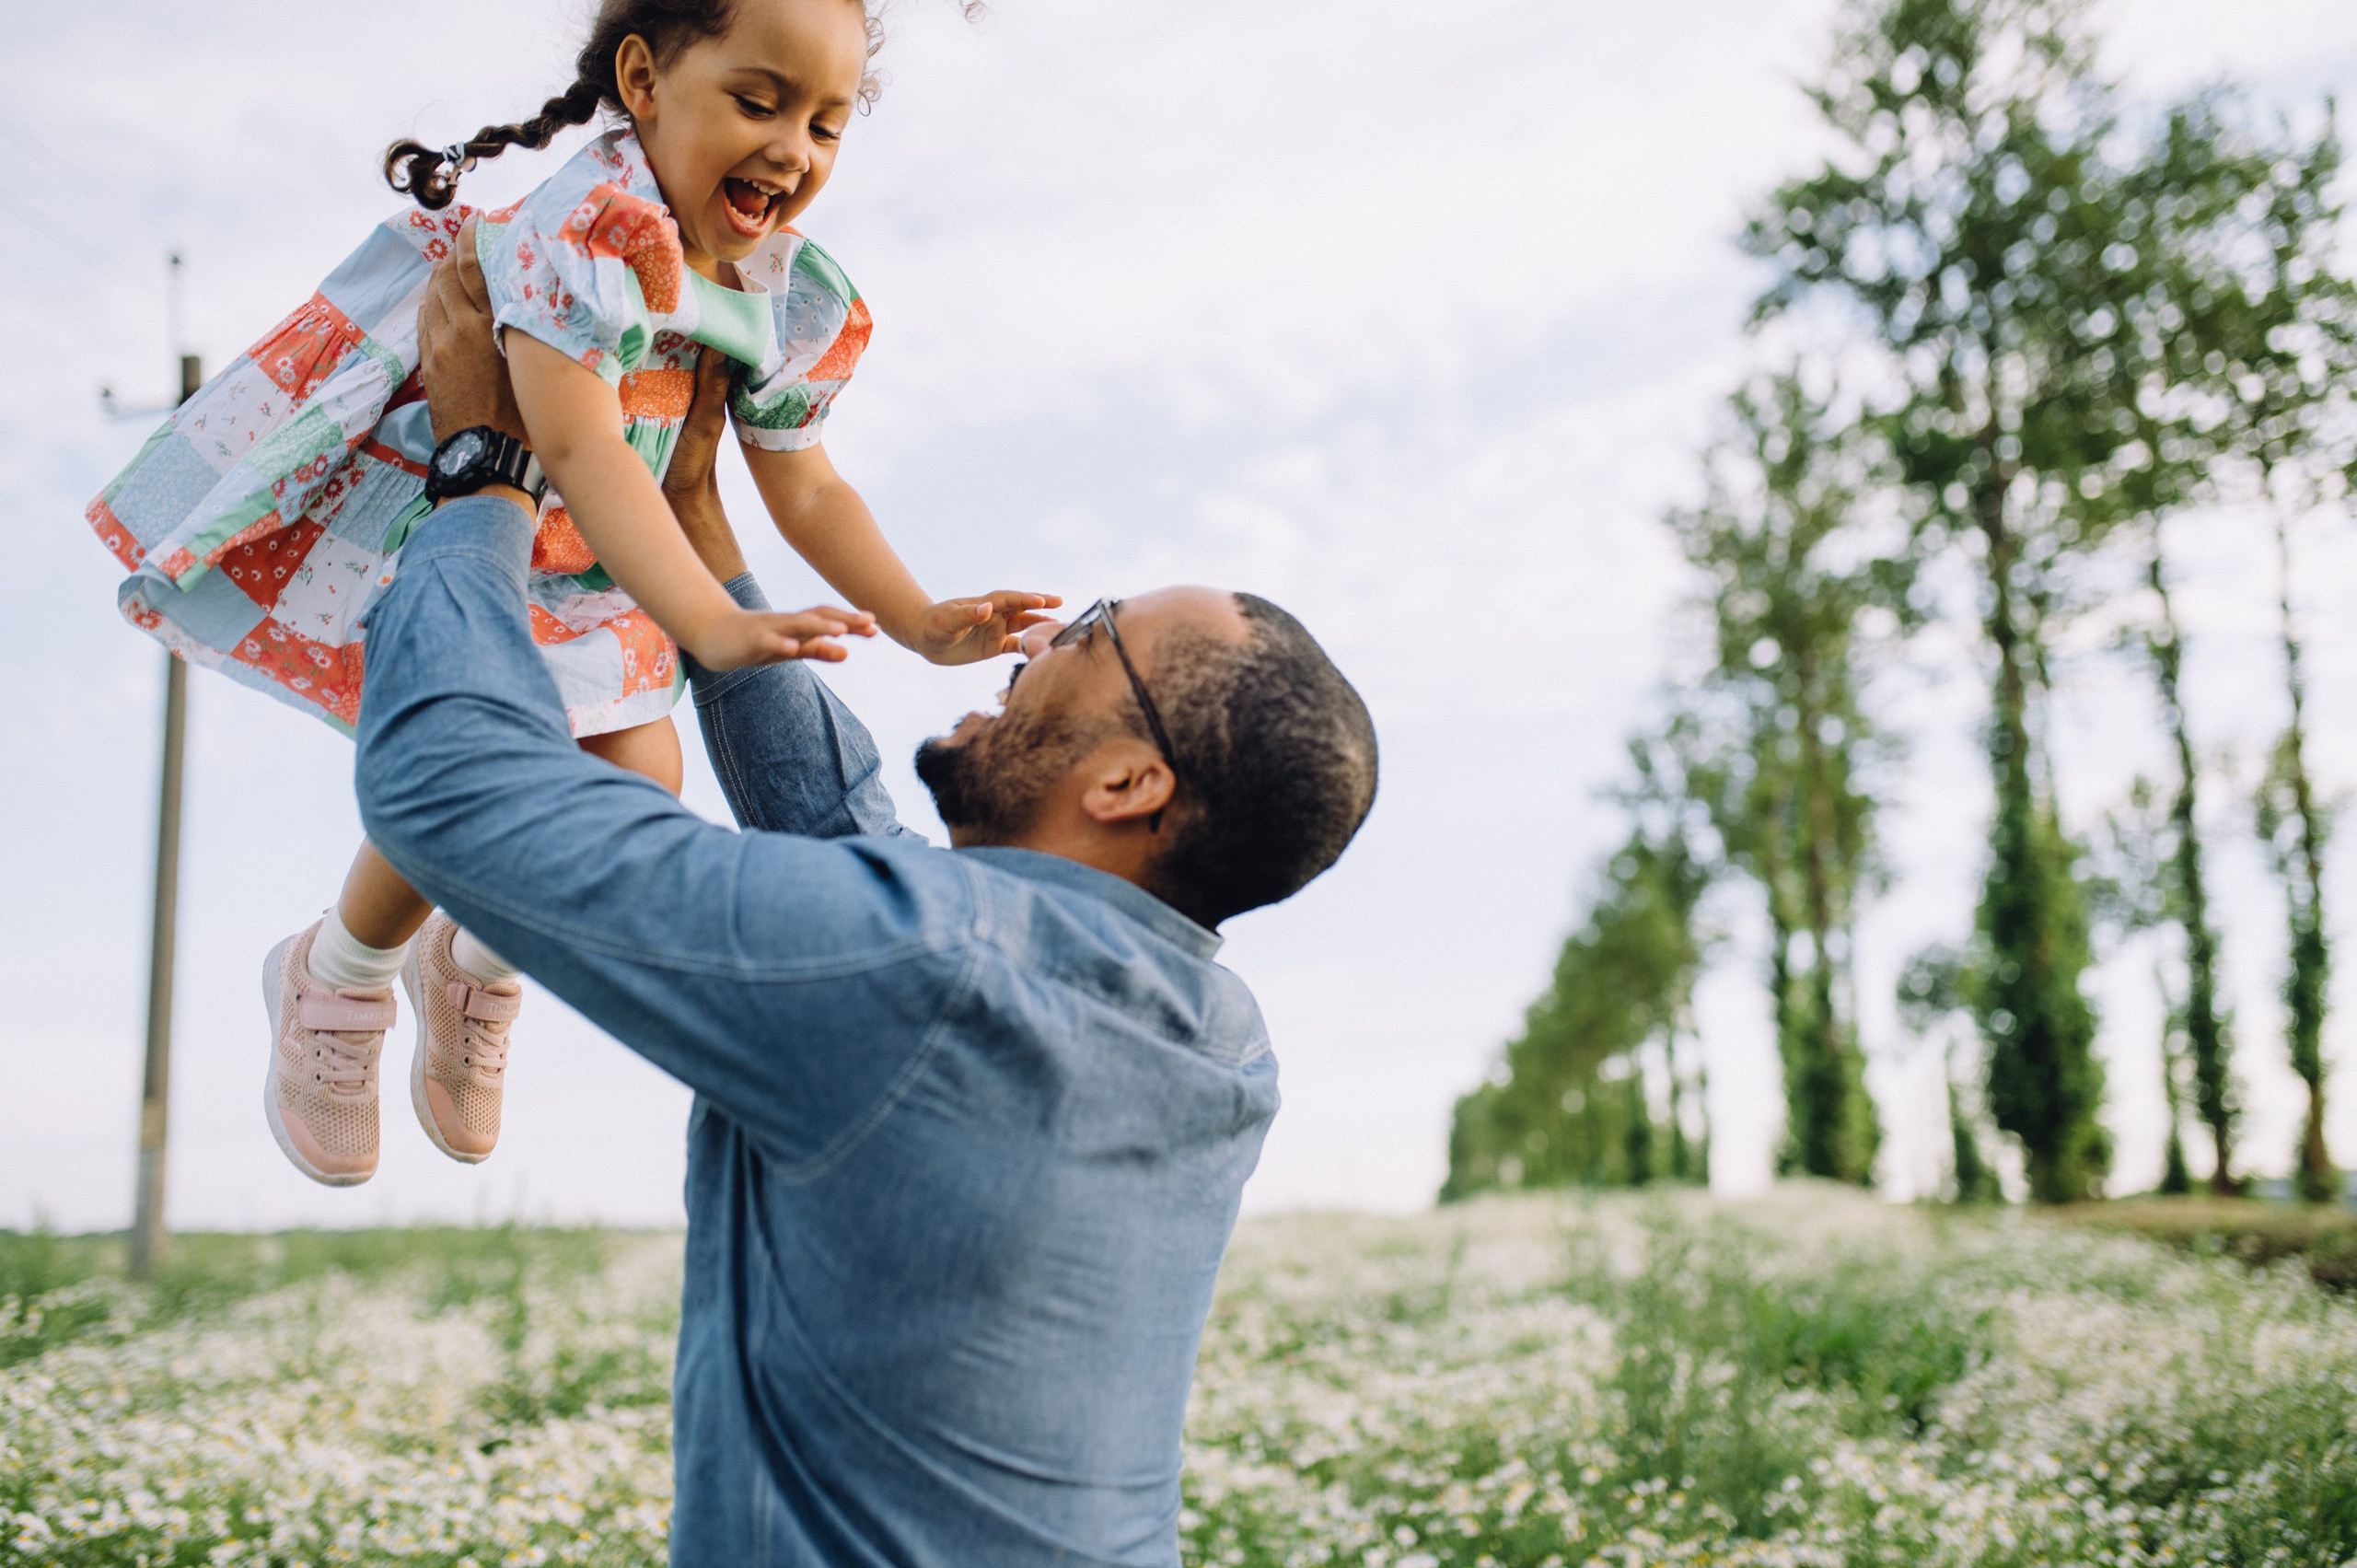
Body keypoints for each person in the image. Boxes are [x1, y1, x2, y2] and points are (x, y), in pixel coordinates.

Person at [370, 227, 1378, 1566]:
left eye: (1092, 635)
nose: (1039, 640)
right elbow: (856, 841)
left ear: (1132, 781)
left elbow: (455, 789)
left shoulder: (929, 978)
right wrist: (703, 530)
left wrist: (483, 474)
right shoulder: (1216, 1038)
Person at [82, 0, 1054, 1186]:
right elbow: (582, 446)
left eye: (825, 125)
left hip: (605, 560)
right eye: (758, 102)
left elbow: (805, 482)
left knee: (641, 780)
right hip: (484, 517)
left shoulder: (774, 283)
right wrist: (709, 619)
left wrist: (920, 620)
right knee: (479, 761)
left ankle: (474, 965)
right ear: (643, 80)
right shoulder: (586, 232)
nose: (792, 148)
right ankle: (335, 976)